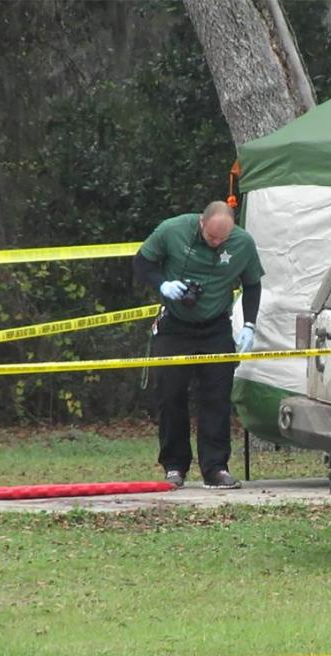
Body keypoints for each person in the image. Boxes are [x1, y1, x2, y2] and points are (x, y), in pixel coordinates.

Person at [133, 201, 264, 489]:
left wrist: (249, 325)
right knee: (170, 395)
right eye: (212, 237)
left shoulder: (242, 244)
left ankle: (215, 467)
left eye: (223, 238)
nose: (217, 243)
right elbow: (142, 263)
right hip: (174, 326)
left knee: (217, 397)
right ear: (201, 223)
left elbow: (253, 284)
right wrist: (162, 285)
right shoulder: (172, 230)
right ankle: (174, 466)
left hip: (216, 327)